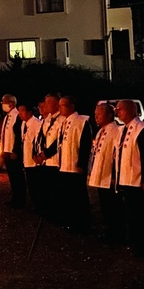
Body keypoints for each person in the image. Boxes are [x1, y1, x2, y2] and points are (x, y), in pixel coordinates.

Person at [112, 99, 144, 258]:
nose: (117, 112)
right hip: (125, 179)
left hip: (137, 181)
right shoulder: (122, 129)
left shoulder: (143, 129)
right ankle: (136, 245)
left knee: (142, 216)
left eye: (120, 109)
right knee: (131, 216)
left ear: (131, 110)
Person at [54, 96, 93, 233]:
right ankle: (69, 220)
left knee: (79, 196)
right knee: (67, 195)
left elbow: (85, 144)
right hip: (64, 164)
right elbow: (58, 143)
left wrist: (82, 164)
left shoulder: (82, 121)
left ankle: (82, 223)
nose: (59, 108)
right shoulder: (63, 123)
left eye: (62, 105)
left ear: (71, 106)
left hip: (75, 166)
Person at [88, 102, 125, 245]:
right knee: (105, 206)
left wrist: (115, 176)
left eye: (99, 114)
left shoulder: (115, 131)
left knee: (114, 207)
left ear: (109, 115)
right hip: (101, 175)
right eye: (95, 113)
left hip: (110, 177)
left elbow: (116, 155)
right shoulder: (101, 131)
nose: (96, 116)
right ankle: (110, 231)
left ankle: (118, 235)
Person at [0, 95, 25, 208]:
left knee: (17, 176)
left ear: (11, 103)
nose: (2, 104)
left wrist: (15, 150)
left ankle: (20, 199)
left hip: (13, 152)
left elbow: (18, 136)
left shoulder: (17, 115)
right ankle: (15, 197)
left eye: (4, 102)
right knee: (12, 177)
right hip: (6, 150)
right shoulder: (7, 116)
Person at [18, 103, 42, 211]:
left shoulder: (36, 123)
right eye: (19, 111)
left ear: (29, 112)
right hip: (26, 159)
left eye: (22, 110)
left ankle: (38, 204)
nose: (20, 113)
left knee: (36, 184)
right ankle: (34, 203)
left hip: (34, 161)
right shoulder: (24, 124)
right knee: (30, 184)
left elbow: (37, 142)